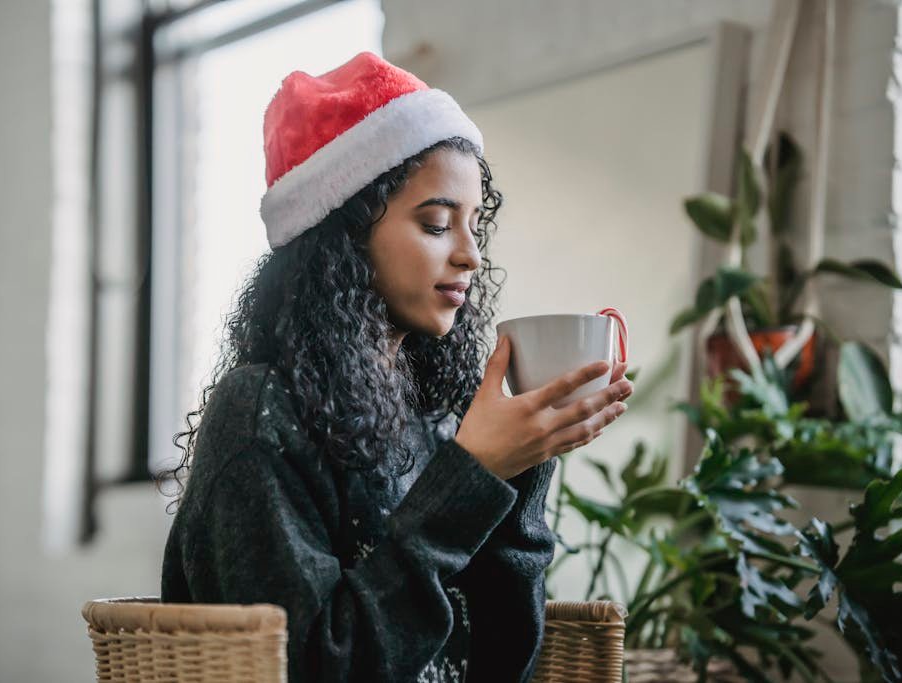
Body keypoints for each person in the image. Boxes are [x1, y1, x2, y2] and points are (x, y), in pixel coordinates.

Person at [158, 51, 633, 683]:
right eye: (437, 224)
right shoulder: (259, 413)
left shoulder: (436, 418)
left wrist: (524, 463)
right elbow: (318, 666)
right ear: (344, 236)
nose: (470, 256)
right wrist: (471, 478)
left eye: (474, 226)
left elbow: (501, 663)